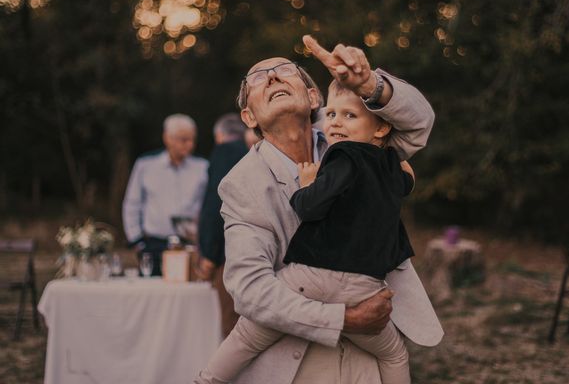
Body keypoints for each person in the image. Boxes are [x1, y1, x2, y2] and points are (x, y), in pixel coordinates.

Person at [195, 35, 443, 384]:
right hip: (294, 364)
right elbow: (250, 289)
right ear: (249, 116)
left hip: (364, 362)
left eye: (285, 70)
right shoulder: (241, 184)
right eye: (257, 77)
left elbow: (419, 123)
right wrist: (343, 319)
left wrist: (369, 84)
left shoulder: (352, 138)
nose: (272, 77)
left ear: (313, 97)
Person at [122, 114, 208, 276]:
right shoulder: (146, 165)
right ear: (167, 138)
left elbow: (207, 206)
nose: (190, 145)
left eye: (192, 139)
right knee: (151, 295)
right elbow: (132, 204)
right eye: (183, 139)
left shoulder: (202, 167)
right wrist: (137, 241)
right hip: (153, 244)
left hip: (190, 246)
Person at [197, 113, 250, 337]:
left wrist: (209, 252)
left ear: (220, 135)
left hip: (229, 253)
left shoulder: (225, 152)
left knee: (232, 328)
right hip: (252, 247)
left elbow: (216, 204)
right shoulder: (251, 153)